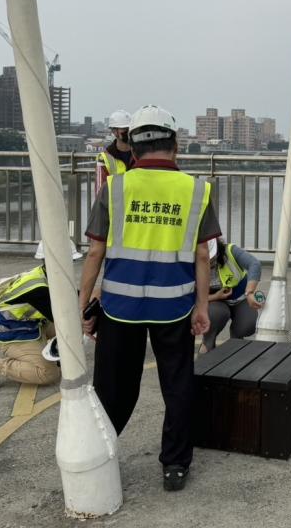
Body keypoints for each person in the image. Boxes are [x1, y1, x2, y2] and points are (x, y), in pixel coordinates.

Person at [79, 104, 220, 492]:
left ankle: (100, 457)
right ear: (175, 144)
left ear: (133, 146)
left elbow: (95, 252)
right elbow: (203, 255)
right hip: (174, 306)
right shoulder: (197, 190)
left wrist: (84, 305)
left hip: (120, 307)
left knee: (113, 388)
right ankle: (175, 465)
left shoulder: (116, 188)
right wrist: (203, 307)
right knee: (177, 386)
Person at [0, 263, 60, 389]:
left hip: (32, 325)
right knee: (49, 373)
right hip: (13, 336)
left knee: (75, 326)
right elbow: (60, 316)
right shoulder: (37, 288)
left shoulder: (42, 272)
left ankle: (48, 354)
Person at [199, 238, 264, 352]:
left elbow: (254, 264)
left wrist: (250, 292)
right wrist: (215, 297)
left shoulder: (230, 251)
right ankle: (208, 343)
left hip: (240, 298)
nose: (208, 262)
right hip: (215, 302)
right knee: (214, 315)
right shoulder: (190, 264)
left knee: (248, 325)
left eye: (211, 257)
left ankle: (236, 341)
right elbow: (191, 297)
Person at [95, 109, 134, 192]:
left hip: (136, 203)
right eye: (125, 129)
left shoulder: (140, 154)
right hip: (116, 204)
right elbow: (100, 190)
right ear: (114, 131)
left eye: (130, 128)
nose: (129, 132)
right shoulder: (104, 158)